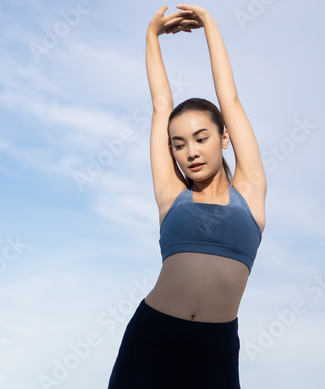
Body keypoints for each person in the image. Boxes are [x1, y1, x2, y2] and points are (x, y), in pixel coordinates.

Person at [107, 4, 267, 388]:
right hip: (151, 339)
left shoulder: (251, 191)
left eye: (201, 138)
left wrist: (210, 25)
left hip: (215, 351)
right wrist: (151, 35)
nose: (191, 151)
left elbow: (230, 100)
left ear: (224, 138)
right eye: (178, 144)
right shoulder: (170, 195)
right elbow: (162, 104)